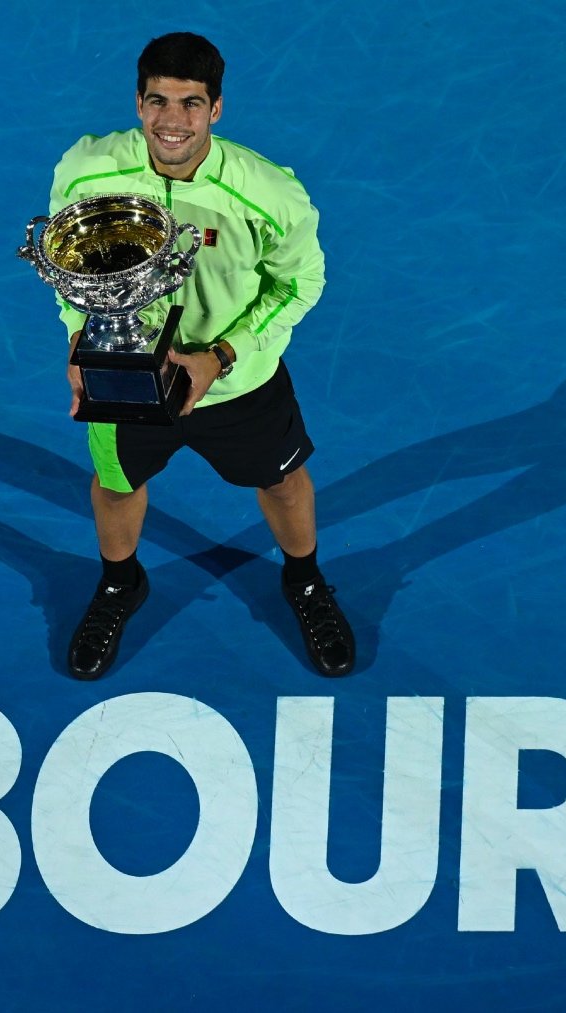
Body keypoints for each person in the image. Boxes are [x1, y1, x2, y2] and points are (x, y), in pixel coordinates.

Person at [49, 32, 355, 679]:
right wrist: (80, 336)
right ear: (138, 102)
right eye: (158, 100)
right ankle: (120, 583)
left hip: (236, 383)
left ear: (216, 110)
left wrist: (223, 354)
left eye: (190, 104)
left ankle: (303, 580)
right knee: (115, 482)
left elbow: (302, 283)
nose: (171, 121)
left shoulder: (269, 194)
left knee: (281, 479)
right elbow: (71, 267)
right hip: (127, 370)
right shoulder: (86, 173)